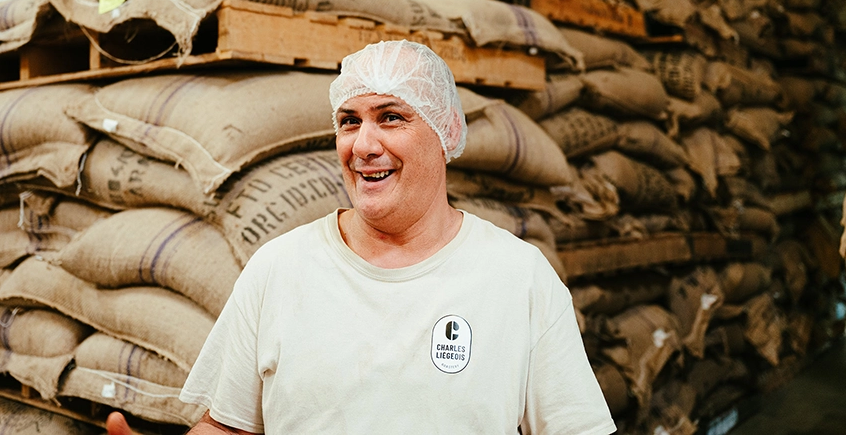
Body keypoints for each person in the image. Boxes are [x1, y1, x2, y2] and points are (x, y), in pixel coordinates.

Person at [107, 40, 615, 435]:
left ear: (446, 132)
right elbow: (230, 425)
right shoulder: (280, 269)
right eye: (349, 122)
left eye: (391, 117)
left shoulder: (517, 277)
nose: (364, 145)